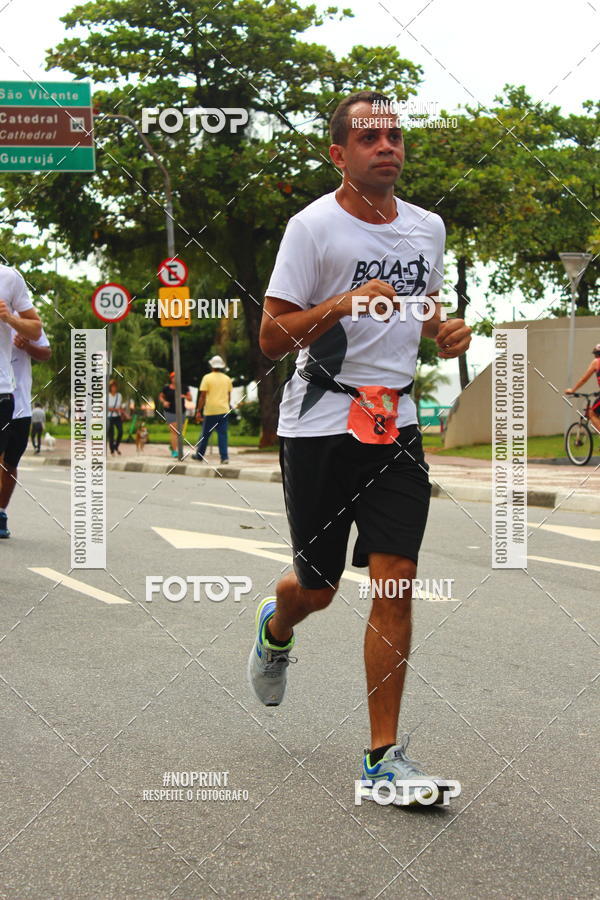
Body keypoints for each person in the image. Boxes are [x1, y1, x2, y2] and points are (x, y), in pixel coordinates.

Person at [247, 90, 471, 805]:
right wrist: (340, 304)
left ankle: (382, 757)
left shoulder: (427, 228)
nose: (388, 147)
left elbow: (422, 302)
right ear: (340, 154)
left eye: (396, 135)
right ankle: (277, 625)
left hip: (396, 424)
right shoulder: (312, 229)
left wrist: (443, 330)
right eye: (370, 138)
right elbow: (271, 337)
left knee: (396, 578)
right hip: (320, 425)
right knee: (316, 587)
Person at [0, 264, 44, 538]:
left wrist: (10, 319)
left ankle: (1, 511)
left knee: (9, 461)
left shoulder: (9, 278)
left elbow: (38, 331)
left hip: (8, 394)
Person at [193, 355, 233, 464]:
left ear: (211, 365)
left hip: (210, 410)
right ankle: (224, 457)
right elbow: (229, 396)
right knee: (222, 435)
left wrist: (198, 411)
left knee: (205, 434)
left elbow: (202, 396)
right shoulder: (227, 379)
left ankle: (199, 455)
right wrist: (227, 405)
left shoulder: (207, 378)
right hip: (224, 410)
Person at [565, 343, 600, 434]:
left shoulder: (596, 362)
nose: (595, 356)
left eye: (595, 354)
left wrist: (572, 390)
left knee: (592, 413)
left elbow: (584, 379)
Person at [159, 372, 191, 458]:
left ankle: (173, 446)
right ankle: (175, 451)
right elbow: (161, 396)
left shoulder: (184, 387)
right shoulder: (166, 388)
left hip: (181, 412)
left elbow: (190, 398)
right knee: (174, 432)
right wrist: (164, 402)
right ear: (171, 378)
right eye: (173, 377)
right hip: (170, 411)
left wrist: (184, 396)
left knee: (179, 433)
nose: (175, 379)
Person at [107, 380, 124, 455]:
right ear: (110, 388)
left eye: (115, 387)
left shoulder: (119, 395)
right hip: (110, 417)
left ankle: (116, 446)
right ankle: (112, 450)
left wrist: (122, 412)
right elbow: (105, 407)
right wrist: (114, 409)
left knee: (120, 432)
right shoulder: (107, 396)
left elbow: (119, 406)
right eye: (112, 387)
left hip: (117, 416)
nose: (114, 388)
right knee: (112, 434)